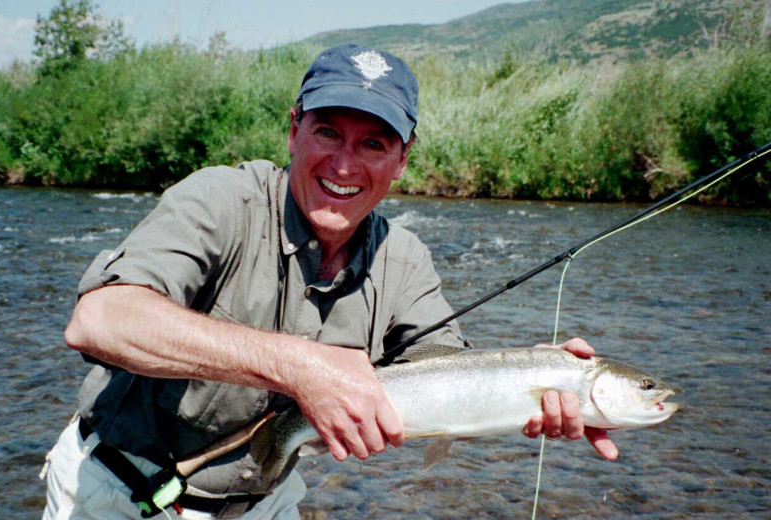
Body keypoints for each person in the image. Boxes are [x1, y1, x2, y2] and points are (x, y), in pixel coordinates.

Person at [41, 43, 617, 520]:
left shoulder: (404, 257)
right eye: (328, 132)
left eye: (373, 143)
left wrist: (532, 383)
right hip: (114, 489)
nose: (345, 165)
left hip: (264, 501)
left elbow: (442, 379)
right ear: (294, 130)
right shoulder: (221, 199)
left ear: (403, 158)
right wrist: (298, 366)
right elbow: (99, 321)